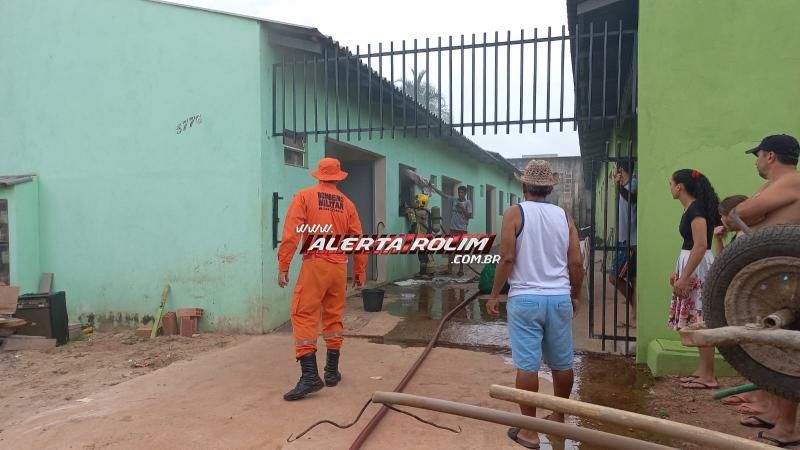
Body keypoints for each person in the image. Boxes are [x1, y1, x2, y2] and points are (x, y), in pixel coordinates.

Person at [487, 160, 584, 449]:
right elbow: (576, 262)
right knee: (563, 362)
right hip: (558, 298)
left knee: (527, 365)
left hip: (525, 300)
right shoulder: (564, 216)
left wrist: (494, 295)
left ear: (523, 185)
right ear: (551, 187)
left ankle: (529, 431)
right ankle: (558, 417)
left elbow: (506, 258)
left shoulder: (514, 214)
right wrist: (574, 294)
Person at [729, 134, 800, 447]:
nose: (756, 161)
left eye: (757, 155)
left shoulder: (791, 182)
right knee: (772, 349)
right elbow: (744, 214)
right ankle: (774, 414)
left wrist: (752, 216)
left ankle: (788, 428)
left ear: (770, 156)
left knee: (788, 354)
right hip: (778, 280)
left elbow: (739, 214)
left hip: (791, 280)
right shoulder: (779, 187)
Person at [277, 158, 367, 401]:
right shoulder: (348, 204)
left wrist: (283, 264)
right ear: (339, 176)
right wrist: (360, 271)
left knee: (304, 313)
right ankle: (331, 371)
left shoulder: (304, 196)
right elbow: (358, 240)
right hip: (339, 267)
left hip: (316, 263)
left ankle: (309, 376)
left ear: (318, 175)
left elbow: (290, 234)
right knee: (333, 316)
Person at [667, 169, 721, 390]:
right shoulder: (692, 208)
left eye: (671, 183)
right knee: (697, 319)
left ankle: (709, 375)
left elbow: (700, 246)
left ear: (680, 187)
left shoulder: (696, 210)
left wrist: (685, 276)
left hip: (697, 269)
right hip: (692, 266)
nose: (670, 187)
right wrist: (677, 272)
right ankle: (703, 370)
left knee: (701, 319)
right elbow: (690, 246)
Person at [609, 161, 637, 326]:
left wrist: (618, 185)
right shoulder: (626, 184)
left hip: (630, 242)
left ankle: (637, 309)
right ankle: (636, 315)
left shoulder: (633, 183)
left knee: (614, 277)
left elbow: (630, 197)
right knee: (633, 278)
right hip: (624, 240)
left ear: (620, 170)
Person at [406, 193, 433, 277]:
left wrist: (409, 210)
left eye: (417, 201)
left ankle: (424, 273)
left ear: (421, 202)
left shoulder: (419, 212)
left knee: (422, 255)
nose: (415, 202)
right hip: (427, 236)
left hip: (422, 236)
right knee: (423, 254)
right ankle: (424, 272)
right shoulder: (427, 211)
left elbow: (413, 220)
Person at [449, 186, 473, 277]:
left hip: (462, 229)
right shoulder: (455, 200)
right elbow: (444, 195)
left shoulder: (468, 203)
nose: (460, 194)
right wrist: (433, 188)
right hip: (453, 229)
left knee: (461, 251)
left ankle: (461, 269)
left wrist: (462, 208)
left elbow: (468, 216)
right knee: (451, 249)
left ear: (465, 193)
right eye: (459, 192)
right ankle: (449, 269)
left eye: (462, 192)